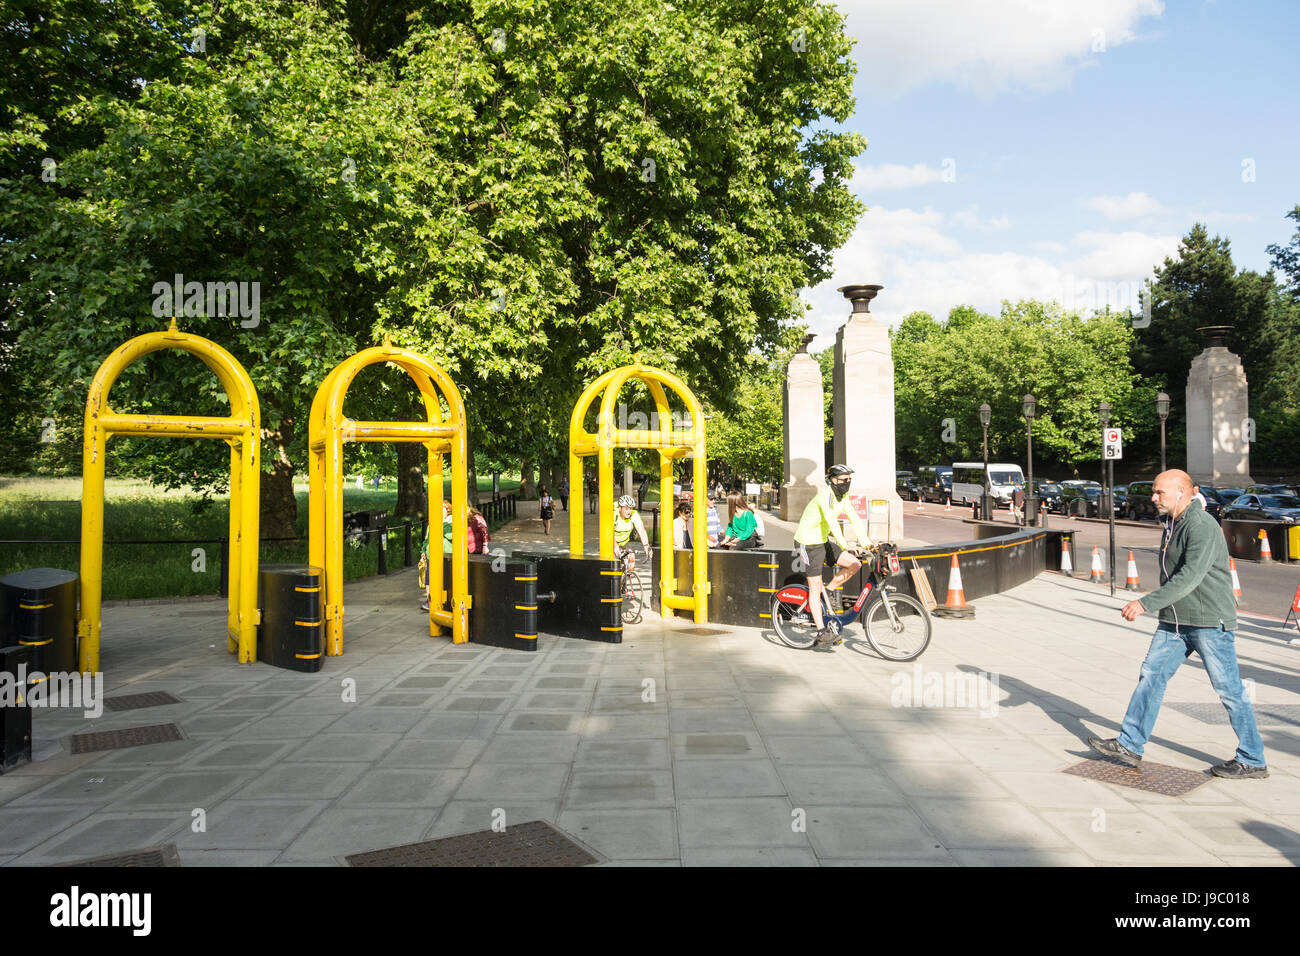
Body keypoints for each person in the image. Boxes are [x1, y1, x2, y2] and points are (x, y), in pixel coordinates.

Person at [1088, 469, 1267, 779]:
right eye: (1154, 493)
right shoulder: (1173, 522)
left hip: (1209, 622)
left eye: (1160, 493)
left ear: (1182, 493)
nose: (1153, 498)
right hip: (1175, 620)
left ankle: (1252, 759)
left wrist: (1144, 602)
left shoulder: (1200, 526)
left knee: (1229, 690)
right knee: (1151, 677)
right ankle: (1130, 745)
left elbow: (1189, 577)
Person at [793, 464, 873, 649]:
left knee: (854, 564)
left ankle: (828, 592)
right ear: (832, 480)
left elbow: (854, 518)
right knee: (814, 586)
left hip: (822, 541)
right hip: (808, 543)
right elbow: (832, 522)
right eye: (843, 480)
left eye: (849, 480)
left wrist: (868, 543)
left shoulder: (843, 496)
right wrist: (846, 546)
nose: (847, 483)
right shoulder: (824, 496)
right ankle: (821, 632)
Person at [613, 494, 651, 570]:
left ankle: (626, 578)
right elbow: (609, 532)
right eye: (626, 509)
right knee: (614, 565)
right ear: (620, 508)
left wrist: (646, 546)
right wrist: (615, 545)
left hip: (624, 543)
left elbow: (641, 530)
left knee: (632, 558)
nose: (629, 511)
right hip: (612, 542)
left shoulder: (634, 514)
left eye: (630, 508)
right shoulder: (614, 515)